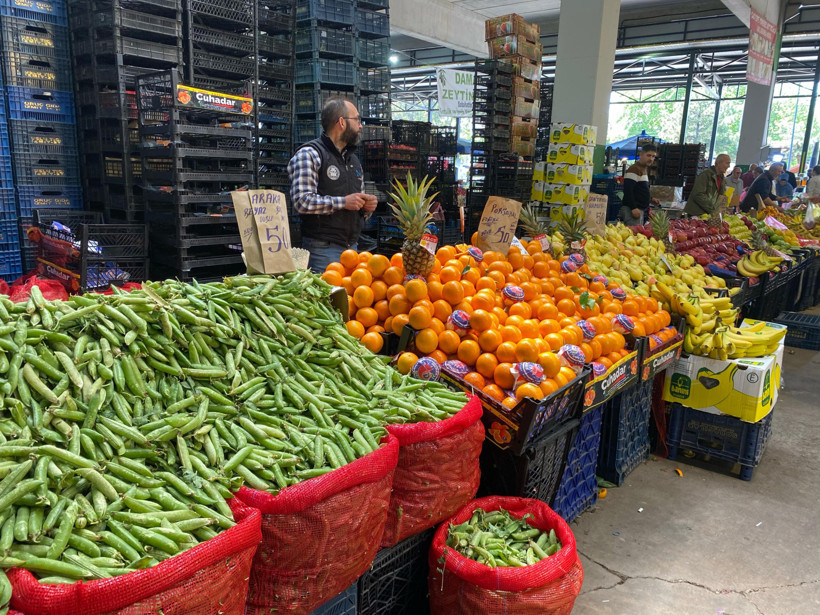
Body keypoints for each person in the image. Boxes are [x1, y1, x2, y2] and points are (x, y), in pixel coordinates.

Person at [288, 98, 378, 273]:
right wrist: (343, 202)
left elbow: (355, 203)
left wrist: (366, 208)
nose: (360, 126)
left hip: (352, 249)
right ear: (342, 122)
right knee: (328, 299)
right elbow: (302, 201)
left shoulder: (353, 160)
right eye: (357, 120)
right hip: (322, 250)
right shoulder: (310, 154)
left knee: (350, 300)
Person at [620, 144, 659, 225]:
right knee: (632, 235)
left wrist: (650, 199)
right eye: (648, 155)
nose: (651, 159)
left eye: (653, 156)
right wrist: (633, 208)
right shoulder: (634, 169)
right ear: (641, 154)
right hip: (632, 210)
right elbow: (628, 190)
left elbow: (639, 190)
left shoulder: (644, 169)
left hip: (639, 209)